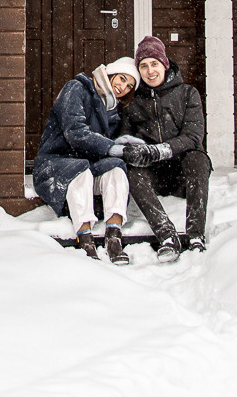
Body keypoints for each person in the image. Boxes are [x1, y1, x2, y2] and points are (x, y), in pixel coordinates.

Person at [32, 56, 150, 263]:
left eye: (129, 86)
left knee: (115, 169)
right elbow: (75, 133)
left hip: (87, 164)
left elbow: (102, 145)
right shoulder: (76, 88)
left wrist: (121, 144)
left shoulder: (112, 108)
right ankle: (85, 238)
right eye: (122, 79)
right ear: (111, 73)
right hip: (55, 164)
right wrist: (112, 147)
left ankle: (114, 235)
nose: (123, 87)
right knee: (80, 170)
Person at [121, 37, 210, 259]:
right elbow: (124, 137)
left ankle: (196, 235)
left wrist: (162, 149)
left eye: (154, 64)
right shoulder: (133, 101)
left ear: (165, 64)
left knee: (199, 159)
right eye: (143, 66)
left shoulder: (188, 94)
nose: (150, 71)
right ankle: (167, 235)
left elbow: (193, 137)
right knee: (131, 170)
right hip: (154, 176)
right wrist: (134, 150)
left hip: (182, 174)